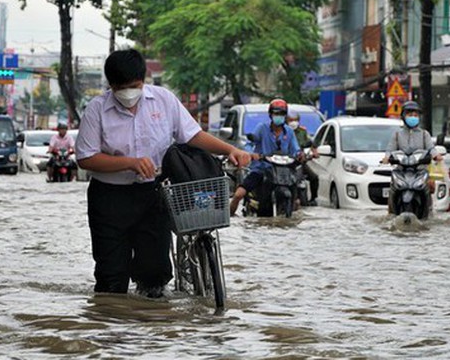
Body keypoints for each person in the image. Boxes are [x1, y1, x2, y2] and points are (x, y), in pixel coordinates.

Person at [75, 49, 251, 298]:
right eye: (120, 88)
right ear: (111, 85)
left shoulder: (164, 100)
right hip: (109, 199)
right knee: (111, 278)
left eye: (133, 86)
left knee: (155, 273)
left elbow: (192, 135)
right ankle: (111, 331)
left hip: (154, 195)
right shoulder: (96, 109)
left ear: (143, 79)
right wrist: (129, 163)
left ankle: (153, 332)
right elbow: (86, 157)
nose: (128, 93)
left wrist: (230, 149)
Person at [229, 98, 302, 216]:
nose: (279, 116)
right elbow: (250, 143)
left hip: (283, 171)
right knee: (238, 195)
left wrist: (300, 155)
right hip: (261, 169)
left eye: (282, 114)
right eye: (276, 113)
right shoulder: (262, 128)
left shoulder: (289, 132)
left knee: (298, 199)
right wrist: (252, 154)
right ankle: (230, 216)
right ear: (270, 115)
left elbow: (295, 149)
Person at [381, 101, 442, 213]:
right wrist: (387, 157)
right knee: (393, 189)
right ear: (403, 117)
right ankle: (391, 212)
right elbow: (390, 149)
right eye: (410, 115)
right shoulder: (397, 135)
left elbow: (431, 148)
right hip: (401, 170)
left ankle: (427, 211)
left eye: (416, 115)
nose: (413, 118)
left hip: (420, 171)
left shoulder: (424, 134)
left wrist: (436, 155)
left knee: (426, 189)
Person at [287, 111, 319, 206]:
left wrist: (314, 152)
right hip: (286, 162)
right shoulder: (283, 131)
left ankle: (313, 198)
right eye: (291, 120)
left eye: (295, 120)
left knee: (314, 177)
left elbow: (311, 143)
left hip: (300, 162)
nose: (293, 122)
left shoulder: (302, 131)